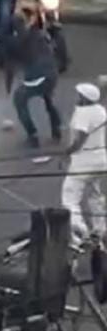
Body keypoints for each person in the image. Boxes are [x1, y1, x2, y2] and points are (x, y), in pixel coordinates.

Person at [61, 81, 107, 248]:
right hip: (101, 159)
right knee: (94, 195)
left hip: (84, 161)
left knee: (70, 198)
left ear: (84, 98)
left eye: (79, 95)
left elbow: (80, 138)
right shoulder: (100, 110)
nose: (76, 97)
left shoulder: (83, 113)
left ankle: (80, 233)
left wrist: (67, 152)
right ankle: (100, 229)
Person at [12, 1, 63, 149]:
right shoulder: (40, 33)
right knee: (49, 99)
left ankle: (32, 135)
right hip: (51, 73)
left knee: (19, 99)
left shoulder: (21, 38)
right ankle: (56, 131)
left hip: (36, 76)